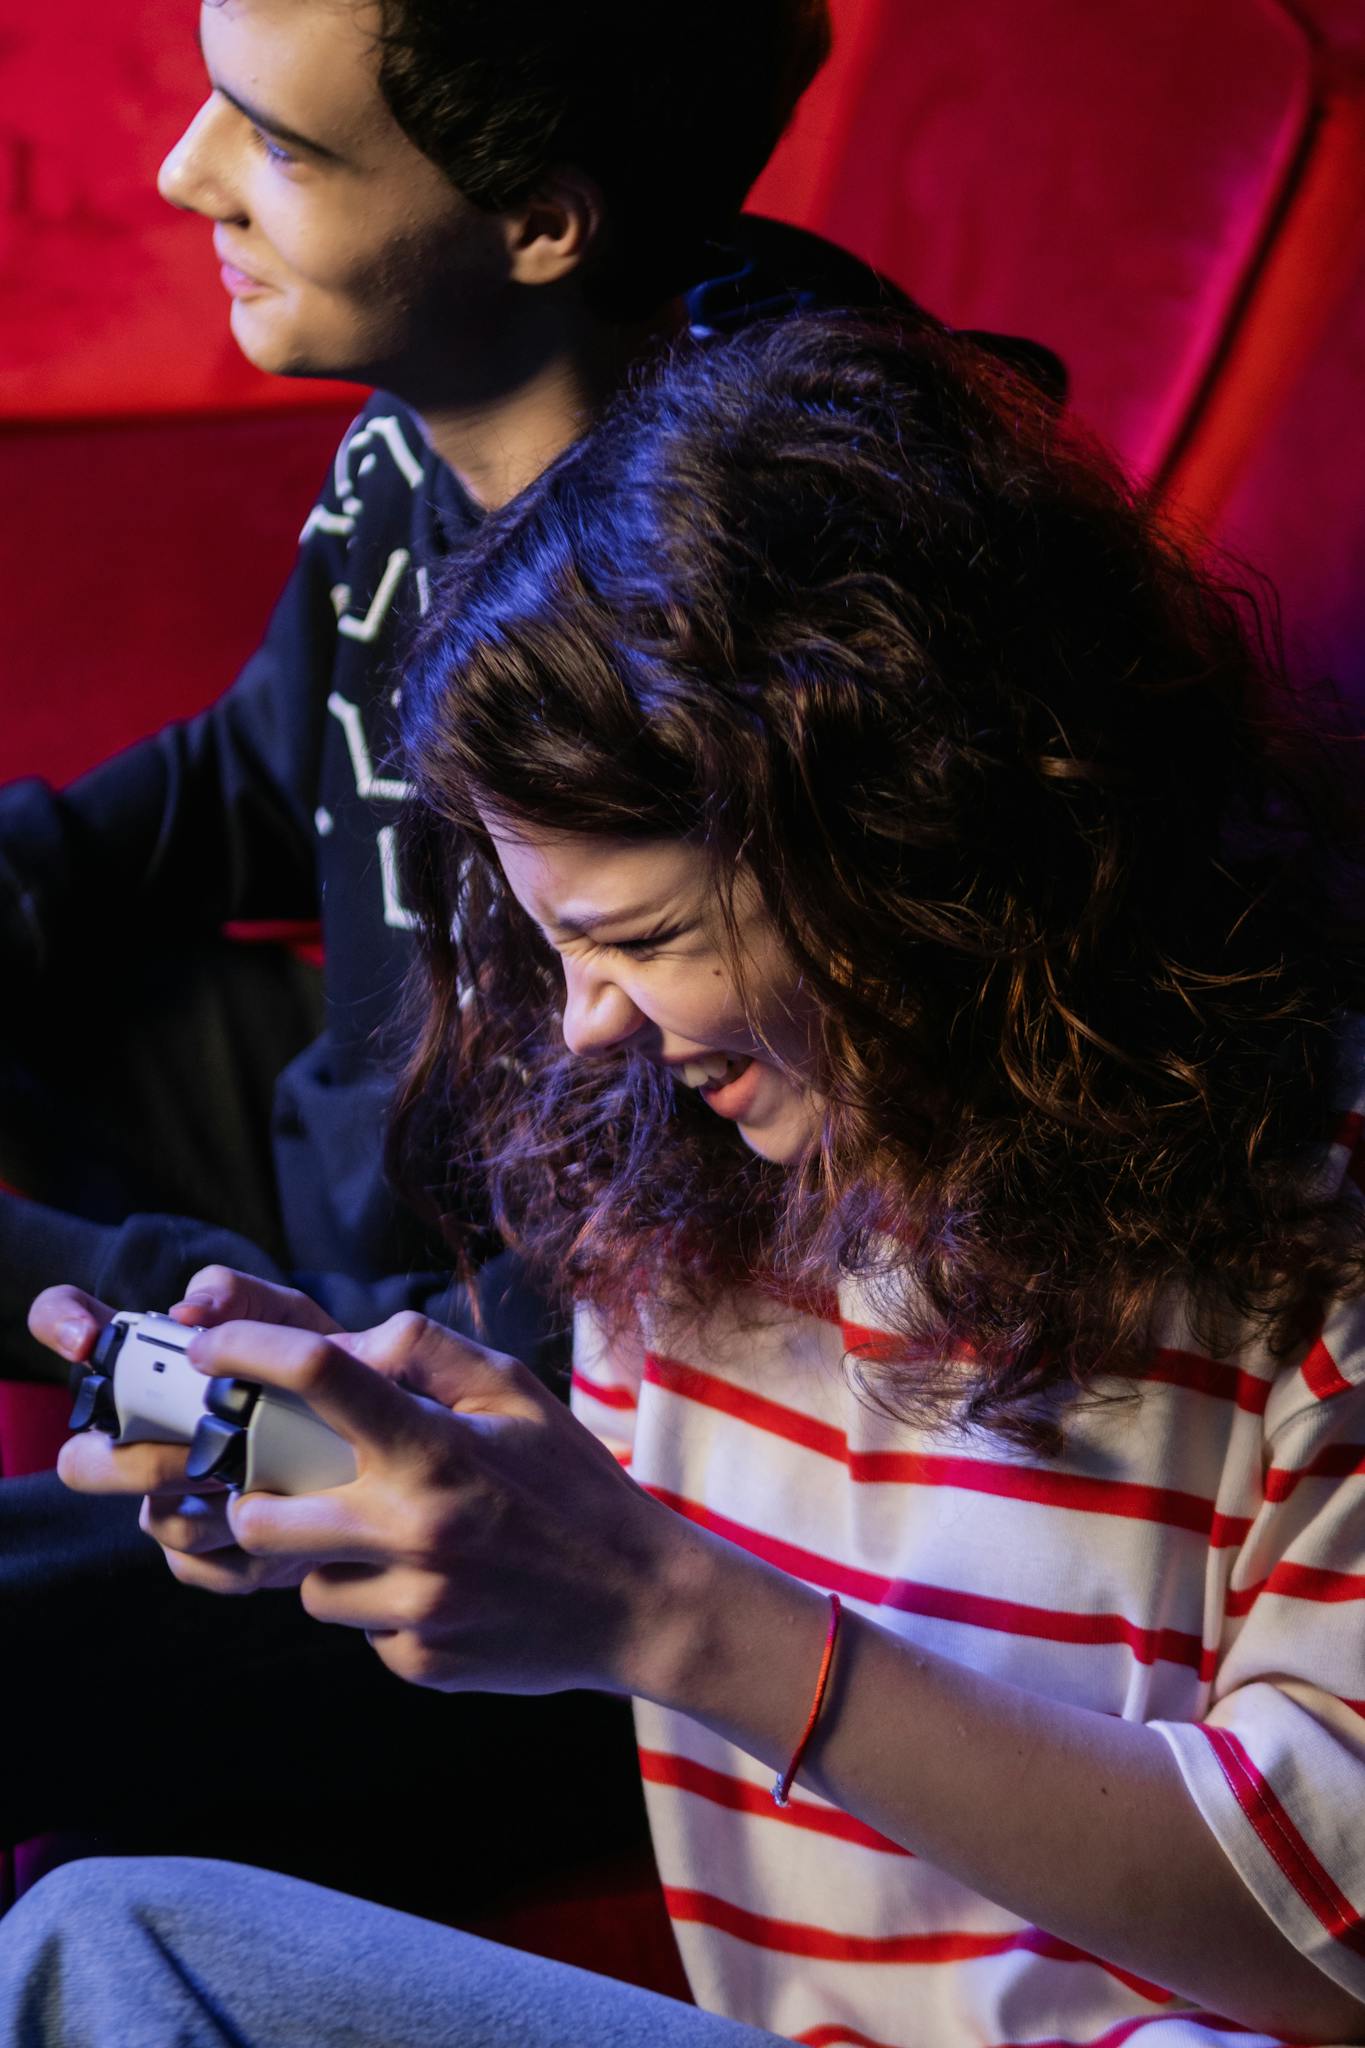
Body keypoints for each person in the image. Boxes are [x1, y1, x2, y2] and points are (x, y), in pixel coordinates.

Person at [14, 310, 1365, 2045]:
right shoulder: (701, 1183)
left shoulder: (1308, 1233)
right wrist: (333, 1460)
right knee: (100, 1924)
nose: (581, 1027)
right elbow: (602, 1539)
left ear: (910, 850)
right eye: (555, 942)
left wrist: (664, 1610)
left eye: (638, 936)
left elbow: (1326, 1934)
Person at [0, 0, 891, 1903]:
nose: (184, 173)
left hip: (535, 1432)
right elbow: (248, 781)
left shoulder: (745, 594)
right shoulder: (439, 421)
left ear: (539, 220)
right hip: (372, 1195)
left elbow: (660, 1319)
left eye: (284, 146)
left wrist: (91, 1283)